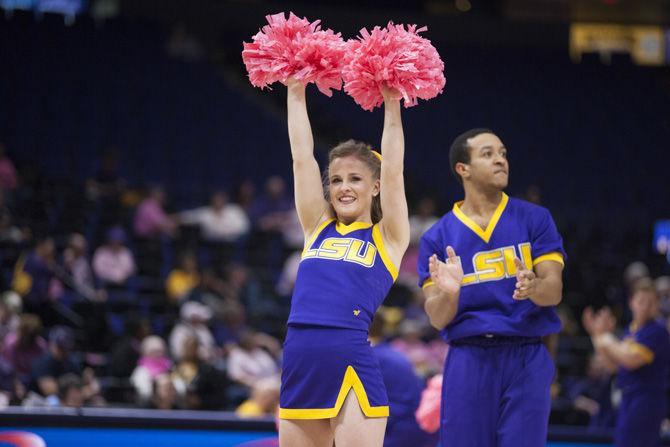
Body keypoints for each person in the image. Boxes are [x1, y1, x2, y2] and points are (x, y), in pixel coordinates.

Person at [277, 79, 409, 447]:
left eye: (355, 178)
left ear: (376, 187)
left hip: (349, 354)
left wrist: (392, 102)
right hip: (299, 357)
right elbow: (301, 156)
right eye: (335, 180)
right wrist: (295, 88)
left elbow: (395, 169)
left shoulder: (389, 237)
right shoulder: (316, 227)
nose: (344, 187)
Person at [418, 128, 566, 446]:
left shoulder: (535, 219)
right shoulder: (437, 236)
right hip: (468, 357)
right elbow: (436, 317)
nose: (500, 160)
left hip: (526, 353)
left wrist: (534, 286)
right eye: (488, 154)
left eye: (503, 153)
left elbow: (554, 289)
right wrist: (451, 291)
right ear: (463, 168)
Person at [583, 278, 670, 447]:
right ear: (631, 302)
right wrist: (596, 334)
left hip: (646, 400)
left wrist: (605, 337)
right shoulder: (632, 330)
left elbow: (630, 360)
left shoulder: (657, 330)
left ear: (657, 305)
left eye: (651, 302)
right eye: (641, 301)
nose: (646, 307)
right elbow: (613, 365)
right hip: (628, 399)